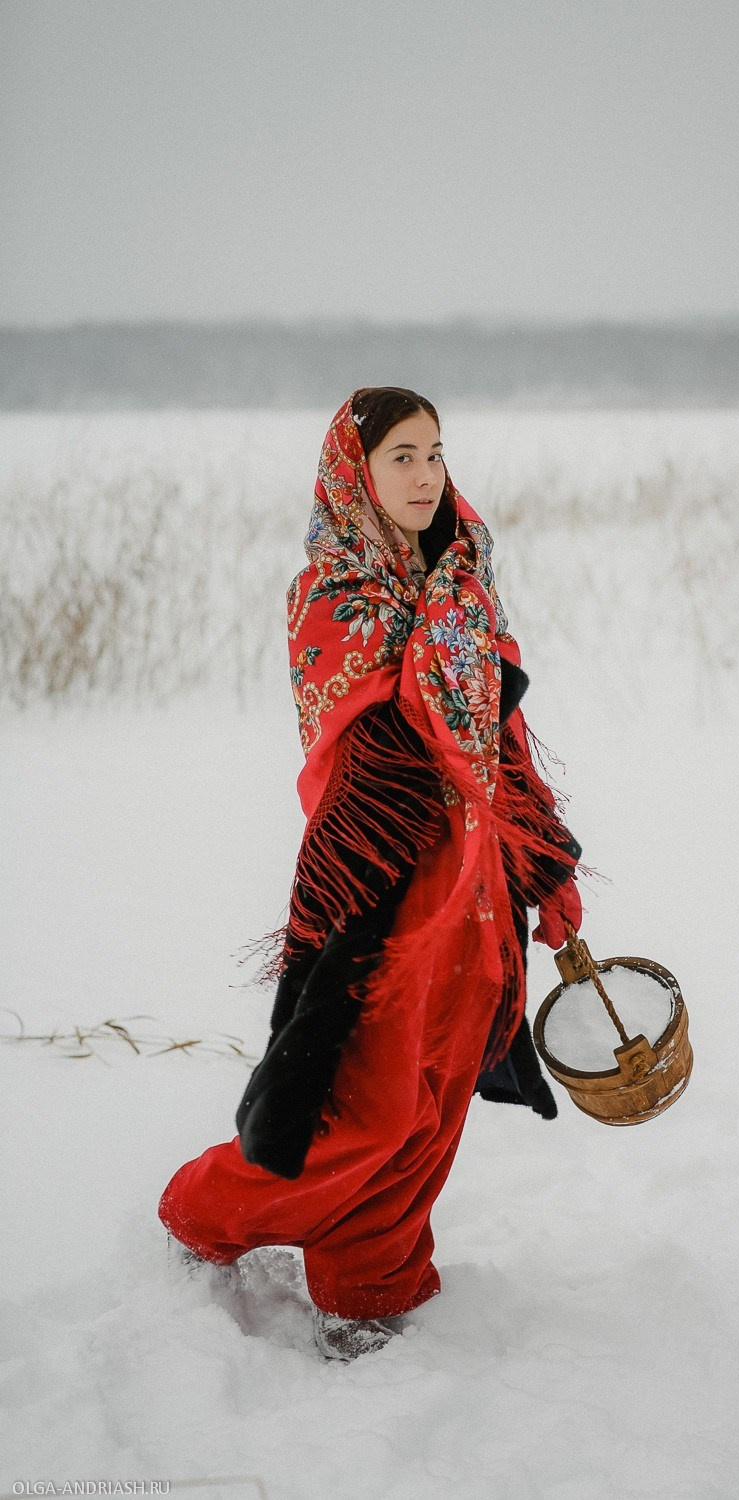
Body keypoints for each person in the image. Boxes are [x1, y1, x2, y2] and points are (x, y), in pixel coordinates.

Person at [158, 388, 583, 1361]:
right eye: (401, 455)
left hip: (477, 887)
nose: (426, 474)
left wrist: (546, 865)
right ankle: (202, 1214)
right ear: (356, 473)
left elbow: (500, 743)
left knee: (434, 1105)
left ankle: (368, 1286)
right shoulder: (334, 597)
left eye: (435, 452)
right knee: (362, 1109)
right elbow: (395, 739)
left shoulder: (462, 584)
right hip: (385, 888)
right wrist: (453, 635)